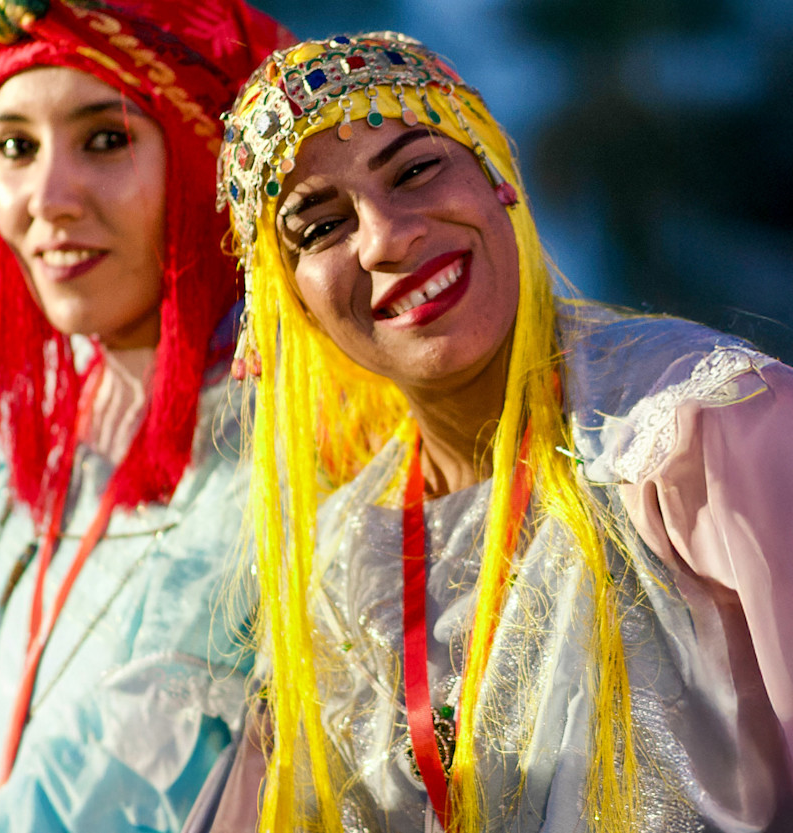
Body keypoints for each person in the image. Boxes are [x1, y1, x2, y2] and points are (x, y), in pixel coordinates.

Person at [189, 31, 793, 833]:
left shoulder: (698, 427)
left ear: (498, 176)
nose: (385, 237)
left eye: (415, 170)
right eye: (322, 226)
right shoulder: (336, 569)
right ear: (294, 303)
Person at [0, 2, 293, 831]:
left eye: (106, 138)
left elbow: (113, 786)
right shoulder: (24, 458)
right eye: (16, 147)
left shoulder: (289, 458)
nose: (47, 199)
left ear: (211, 160)